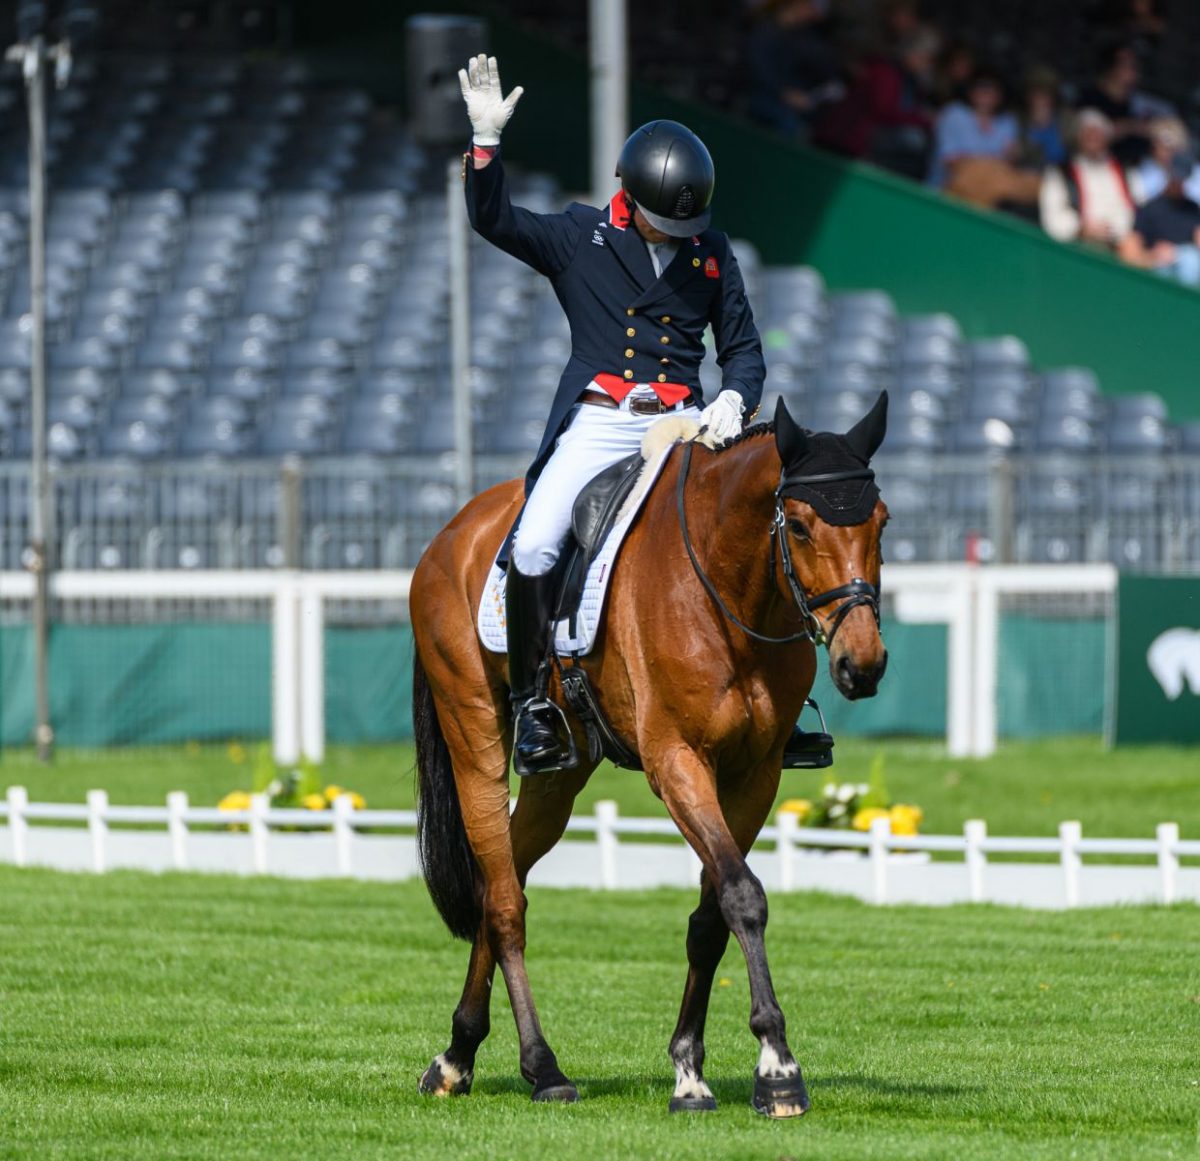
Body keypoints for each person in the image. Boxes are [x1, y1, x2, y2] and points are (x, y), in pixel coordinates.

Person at [460, 56, 831, 775]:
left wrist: (732, 399)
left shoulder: (711, 252)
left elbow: (745, 350)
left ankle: (777, 705)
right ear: (627, 196)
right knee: (535, 542)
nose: (677, 236)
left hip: (684, 423)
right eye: (665, 223)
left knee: (755, 525)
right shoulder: (578, 237)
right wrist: (484, 146)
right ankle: (534, 702)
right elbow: (494, 219)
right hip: (601, 418)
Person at [815, 25, 939, 178]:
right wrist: (924, 121)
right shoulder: (885, 72)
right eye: (925, 58)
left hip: (871, 143)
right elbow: (884, 111)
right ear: (913, 53)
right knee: (914, 140)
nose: (926, 65)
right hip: (847, 141)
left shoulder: (910, 81)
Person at [1040, 109, 1143, 246]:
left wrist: (1111, 230)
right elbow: (1053, 213)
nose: (1092, 138)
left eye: (1097, 133)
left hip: (1117, 244)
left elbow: (1137, 210)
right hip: (1074, 243)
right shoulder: (1061, 172)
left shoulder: (1126, 173)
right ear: (1078, 137)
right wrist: (1082, 228)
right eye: (1087, 133)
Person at [746, 0, 845, 139]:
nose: (808, 13)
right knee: (788, 122)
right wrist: (784, 92)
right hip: (759, 94)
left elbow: (820, 66)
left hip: (786, 100)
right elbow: (759, 69)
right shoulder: (766, 29)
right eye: (807, 7)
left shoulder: (803, 38)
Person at [1118, 151, 1200, 286]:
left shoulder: (1193, 209)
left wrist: (1179, 252)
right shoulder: (1150, 208)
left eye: (1181, 178)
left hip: (1190, 265)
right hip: (1158, 269)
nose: (1177, 182)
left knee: (1190, 259)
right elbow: (1131, 249)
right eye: (1175, 176)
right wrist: (1152, 256)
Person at [927, 69, 1019, 190]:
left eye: (992, 90)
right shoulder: (954, 114)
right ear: (971, 91)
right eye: (982, 88)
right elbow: (950, 161)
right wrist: (990, 165)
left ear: (1000, 95)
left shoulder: (1007, 121)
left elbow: (1009, 164)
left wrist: (1011, 156)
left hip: (991, 191)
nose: (986, 94)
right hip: (947, 190)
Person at [1135, 117, 1200, 204]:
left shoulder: (1197, 172)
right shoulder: (1141, 173)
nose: (1171, 150)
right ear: (1154, 147)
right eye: (1166, 145)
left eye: (1176, 145)